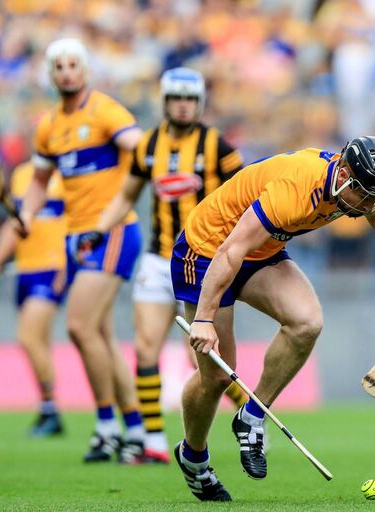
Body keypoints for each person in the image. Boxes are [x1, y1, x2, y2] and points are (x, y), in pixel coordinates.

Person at [171, 136, 375, 502]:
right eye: (364, 194)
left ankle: (252, 415)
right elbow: (231, 250)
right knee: (219, 376)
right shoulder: (296, 188)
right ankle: (193, 458)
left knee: (307, 322)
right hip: (208, 252)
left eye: (373, 195)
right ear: (345, 174)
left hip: (259, 253)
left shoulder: (353, 189)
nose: (367, 204)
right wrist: (205, 320)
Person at [94, 67, 246, 463]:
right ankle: (155, 442)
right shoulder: (148, 145)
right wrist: (97, 231)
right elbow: (125, 196)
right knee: (145, 349)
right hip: (158, 259)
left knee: (207, 360)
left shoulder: (218, 146)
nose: (183, 105)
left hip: (202, 264)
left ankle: (250, 413)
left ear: (199, 103)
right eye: (176, 98)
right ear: (165, 101)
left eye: (190, 99)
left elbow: (247, 198)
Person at [18, 38, 147, 463]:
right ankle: (134, 430)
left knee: (78, 325)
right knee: (101, 336)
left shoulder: (106, 111)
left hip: (110, 232)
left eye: (74, 64)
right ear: (51, 74)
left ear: (86, 71)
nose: (67, 72)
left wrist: (123, 198)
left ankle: (108, 425)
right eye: (59, 66)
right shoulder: (49, 125)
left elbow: (140, 150)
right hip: (76, 237)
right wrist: (26, 215)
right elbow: (38, 183)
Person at [0, 161, 67, 436]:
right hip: (25, 270)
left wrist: (69, 265)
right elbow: (14, 224)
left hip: (54, 267)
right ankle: (48, 410)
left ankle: (51, 409)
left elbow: (77, 222)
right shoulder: (22, 175)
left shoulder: (68, 174)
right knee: (38, 341)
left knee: (28, 336)